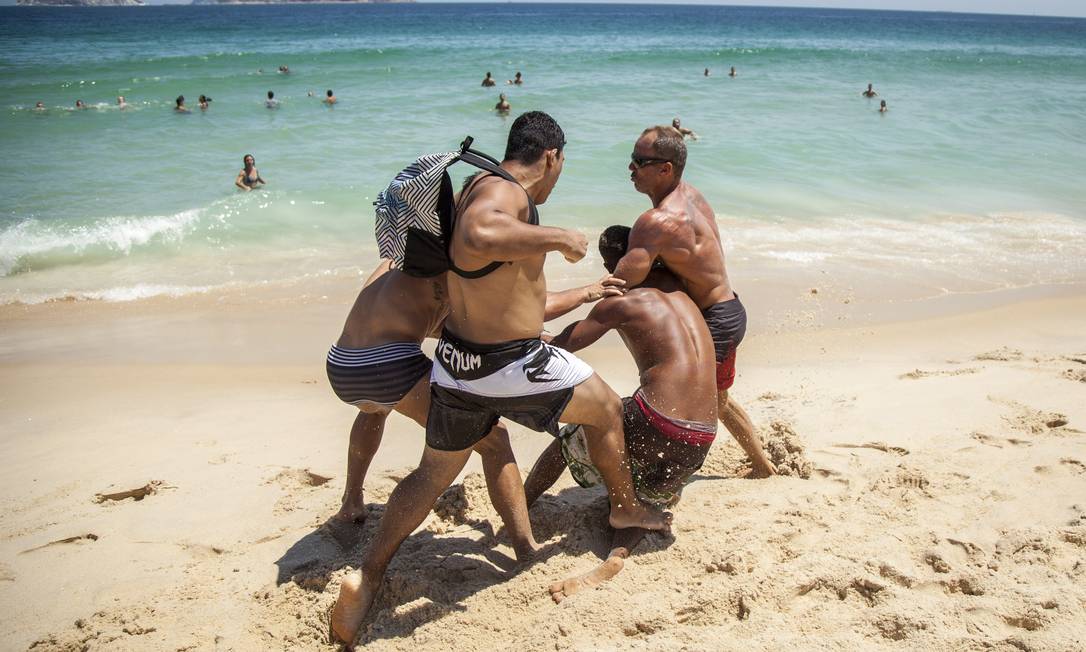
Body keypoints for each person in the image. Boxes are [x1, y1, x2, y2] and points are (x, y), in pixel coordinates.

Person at [331, 111, 670, 645]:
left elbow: (516, 302)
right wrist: (560, 236)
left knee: (433, 473)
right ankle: (627, 509)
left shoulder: (475, 185)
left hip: (459, 364)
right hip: (508, 363)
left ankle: (368, 576)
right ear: (552, 157)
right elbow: (480, 231)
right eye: (562, 167)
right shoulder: (503, 192)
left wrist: (585, 292)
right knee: (605, 407)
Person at [524, 224, 719, 602]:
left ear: (612, 265)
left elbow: (563, 348)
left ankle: (522, 507)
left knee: (578, 431)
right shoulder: (683, 290)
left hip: (659, 422)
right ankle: (615, 556)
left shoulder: (621, 301)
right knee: (644, 501)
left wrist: (526, 333)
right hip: (701, 436)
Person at [612, 125, 777, 477]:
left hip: (717, 320)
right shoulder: (692, 196)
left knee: (702, 405)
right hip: (726, 310)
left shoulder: (656, 221)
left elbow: (620, 281)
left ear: (665, 169)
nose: (630, 169)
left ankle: (668, 478)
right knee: (716, 402)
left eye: (638, 161)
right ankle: (762, 465)